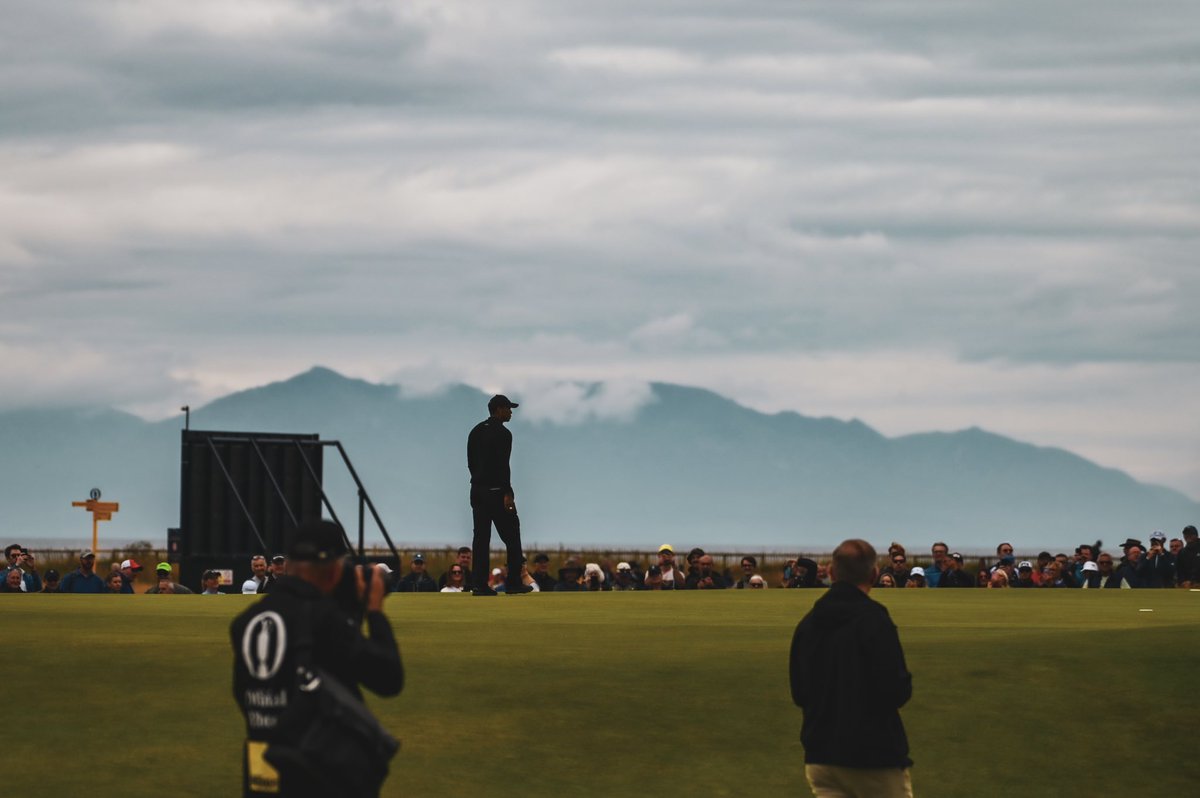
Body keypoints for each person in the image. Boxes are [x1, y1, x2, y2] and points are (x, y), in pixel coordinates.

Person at [230, 519, 403, 798]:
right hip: (317, 770)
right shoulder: (321, 618)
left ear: (287, 565)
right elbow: (388, 678)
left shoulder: (246, 621)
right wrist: (374, 611)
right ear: (335, 570)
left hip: (262, 769)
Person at [789, 539, 913, 797]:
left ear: (832, 573)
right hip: (874, 757)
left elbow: (799, 693)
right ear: (874, 574)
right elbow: (897, 690)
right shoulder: (875, 619)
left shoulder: (808, 624)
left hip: (821, 755)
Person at [467, 394, 530, 595]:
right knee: (512, 536)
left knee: (481, 538)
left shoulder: (475, 431)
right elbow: (503, 466)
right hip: (496, 491)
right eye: (508, 409)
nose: (511, 412)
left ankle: (479, 584)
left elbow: (471, 462)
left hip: (476, 490)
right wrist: (507, 492)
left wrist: (478, 481)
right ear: (499, 409)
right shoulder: (503, 434)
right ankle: (513, 582)